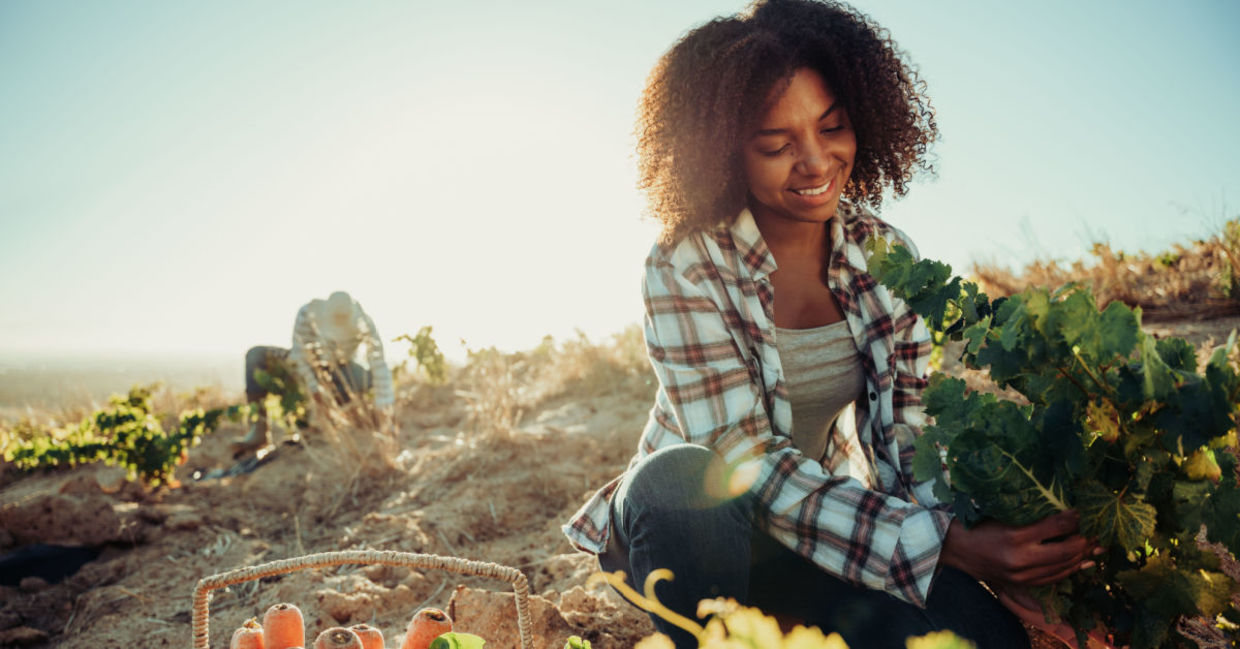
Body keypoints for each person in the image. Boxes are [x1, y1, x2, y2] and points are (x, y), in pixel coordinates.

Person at [561, 2, 1097, 647]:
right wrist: (945, 546)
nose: (815, 162)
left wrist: (986, 554)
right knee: (683, 477)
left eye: (832, 127)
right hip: (690, 530)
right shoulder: (685, 263)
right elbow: (744, 460)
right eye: (776, 145)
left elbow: (909, 439)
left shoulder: (886, 255)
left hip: (818, 533)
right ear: (723, 152)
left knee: (983, 638)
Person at [231, 291, 397, 454]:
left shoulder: (363, 321)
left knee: (368, 378)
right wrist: (314, 388)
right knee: (256, 355)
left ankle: (357, 415)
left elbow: (379, 363)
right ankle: (259, 429)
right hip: (302, 366)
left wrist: (384, 405)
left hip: (341, 372)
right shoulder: (308, 313)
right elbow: (299, 355)